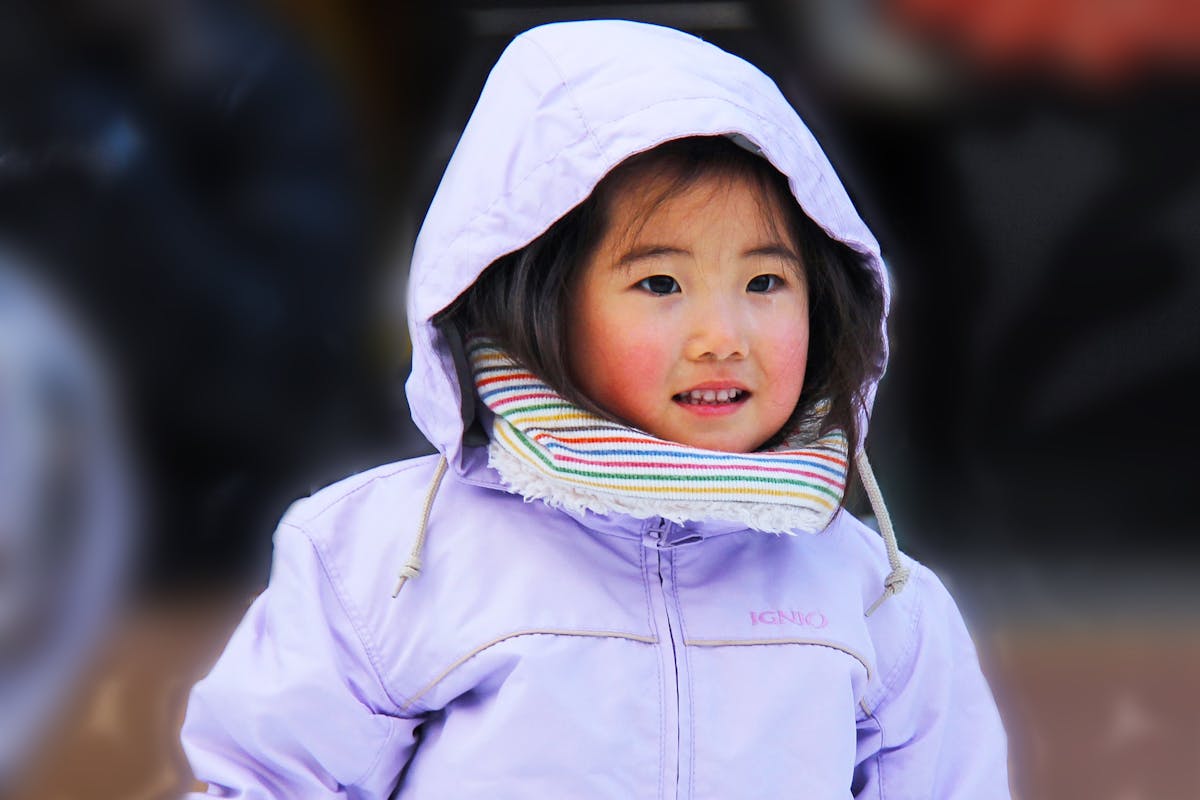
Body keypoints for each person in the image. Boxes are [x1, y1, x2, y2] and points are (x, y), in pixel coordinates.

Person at [181, 19, 1010, 798]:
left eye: (764, 282)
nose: (723, 336)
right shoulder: (391, 561)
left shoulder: (875, 598)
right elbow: (268, 781)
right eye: (660, 283)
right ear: (537, 304)